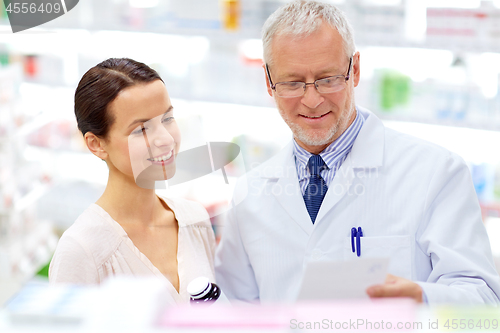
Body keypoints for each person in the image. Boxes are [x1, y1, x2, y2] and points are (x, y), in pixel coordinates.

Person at [214, 0, 500, 304]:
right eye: (293, 83)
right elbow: (236, 311)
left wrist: (423, 300)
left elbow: (484, 300)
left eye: (328, 79)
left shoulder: (437, 173)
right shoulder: (250, 195)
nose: (311, 100)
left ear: (356, 69)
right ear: (269, 83)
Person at [49, 58, 216, 305]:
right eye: (141, 130)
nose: (166, 140)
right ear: (96, 144)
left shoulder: (195, 220)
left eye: (167, 119)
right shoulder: (82, 250)